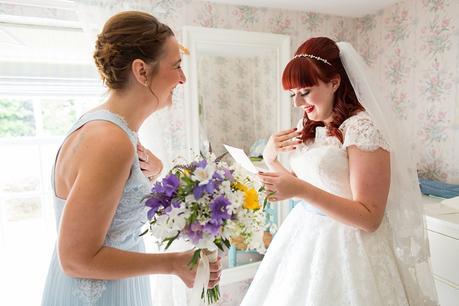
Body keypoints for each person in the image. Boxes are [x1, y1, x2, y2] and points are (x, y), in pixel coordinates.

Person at [41, 11, 221, 306]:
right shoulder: (109, 140)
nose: (183, 78)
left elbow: (112, 207)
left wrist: (154, 172)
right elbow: (75, 259)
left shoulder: (116, 131)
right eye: (176, 66)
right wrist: (174, 263)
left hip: (119, 285)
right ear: (142, 71)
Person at [241, 37, 438, 306]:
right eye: (292, 94)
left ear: (334, 82)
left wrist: (299, 189)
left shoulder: (362, 129)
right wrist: (270, 158)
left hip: (351, 247)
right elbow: (306, 185)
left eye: (305, 91)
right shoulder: (309, 125)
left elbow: (370, 218)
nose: (297, 102)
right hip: (305, 238)